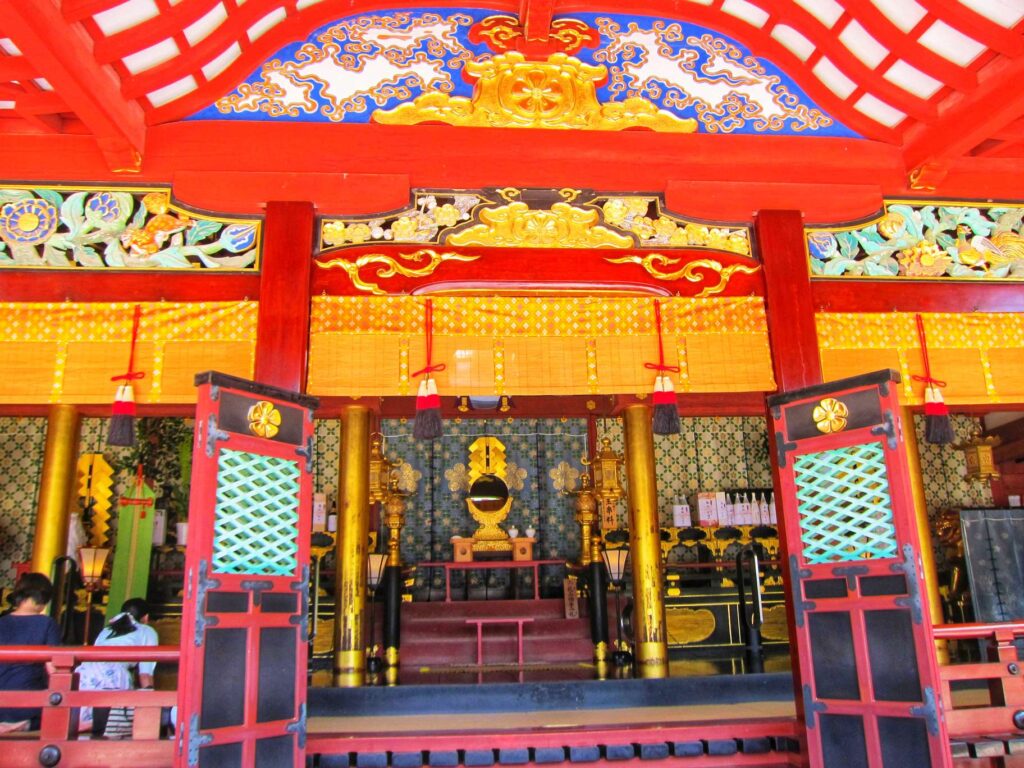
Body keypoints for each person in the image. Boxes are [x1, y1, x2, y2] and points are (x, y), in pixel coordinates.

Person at [76, 597, 159, 738]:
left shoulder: (106, 630)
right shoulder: (146, 630)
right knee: (115, 715)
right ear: (146, 617)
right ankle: (94, 724)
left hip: (85, 671)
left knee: (83, 713)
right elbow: (145, 675)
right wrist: (150, 709)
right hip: (114, 674)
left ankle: (84, 724)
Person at [0, 572, 62, 733]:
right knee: (63, 708)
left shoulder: (1, 622)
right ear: (42, 598)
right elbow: (54, 669)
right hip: (28, 705)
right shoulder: (46, 623)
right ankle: (25, 724)